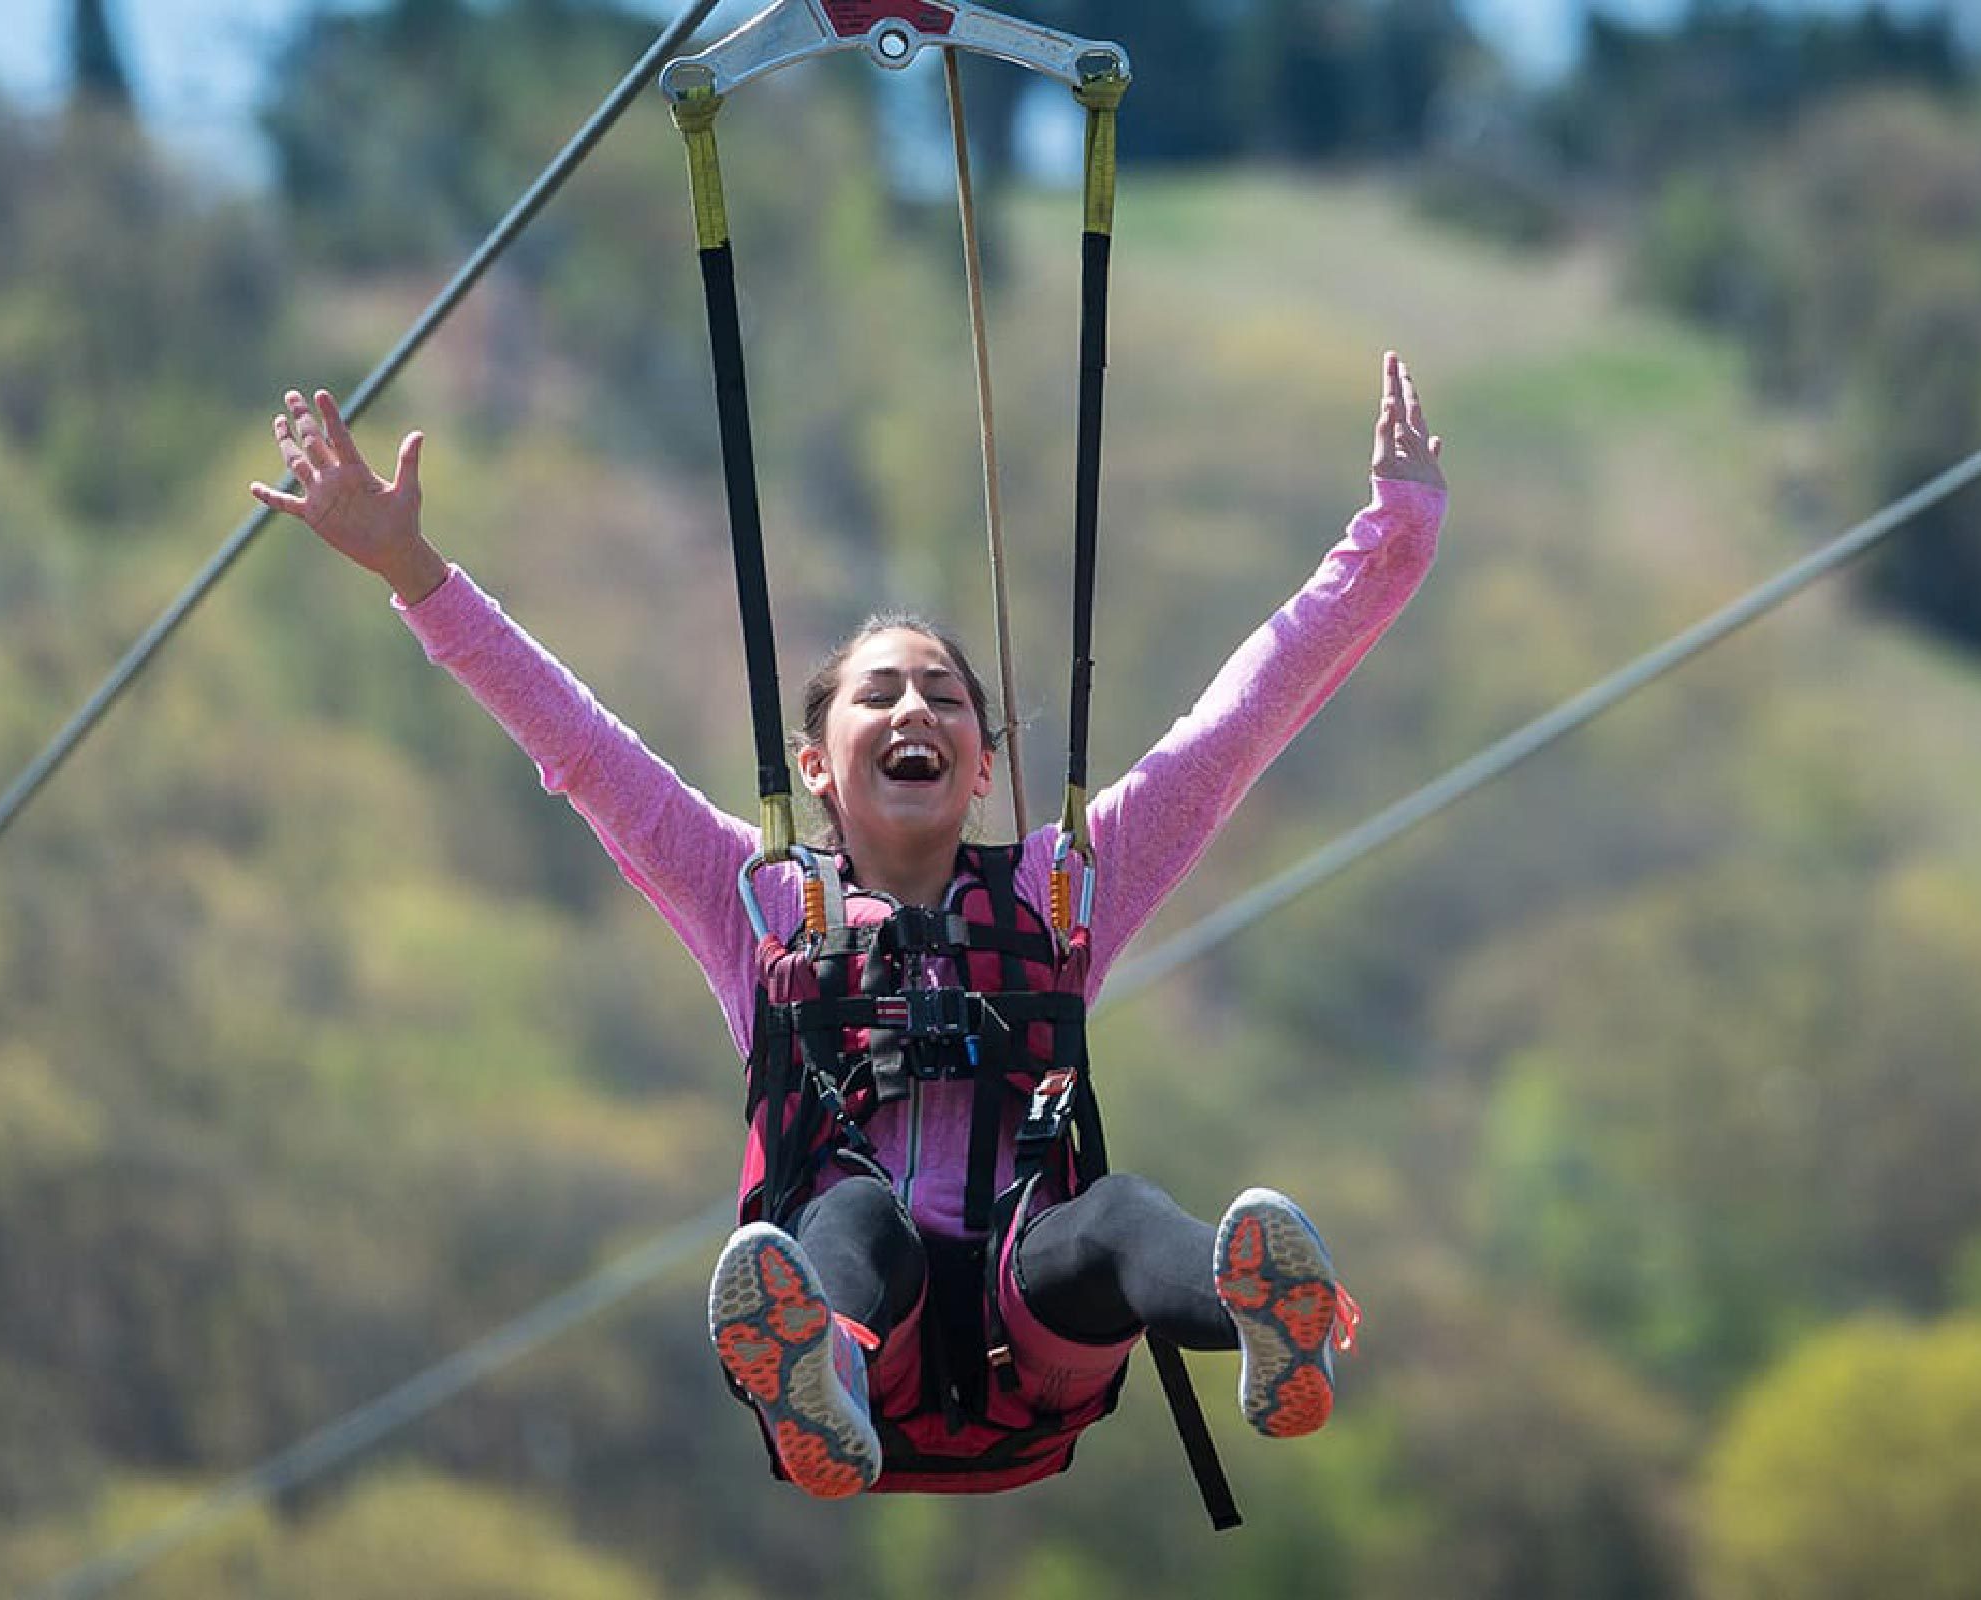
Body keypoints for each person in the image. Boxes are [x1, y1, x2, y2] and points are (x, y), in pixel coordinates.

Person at [254, 352, 1446, 1501]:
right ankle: (810, 1359)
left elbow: (1239, 723)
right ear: (818, 767)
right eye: (881, 692)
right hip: (868, 1320)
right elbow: (578, 746)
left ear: (983, 764)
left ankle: (1264, 1320)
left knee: (1122, 1212)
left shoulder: (1065, 890)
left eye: (944, 696)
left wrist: (1392, 538)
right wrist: (413, 569)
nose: (915, 707)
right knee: (853, 1213)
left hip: (1035, 1325)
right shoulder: (756, 902)